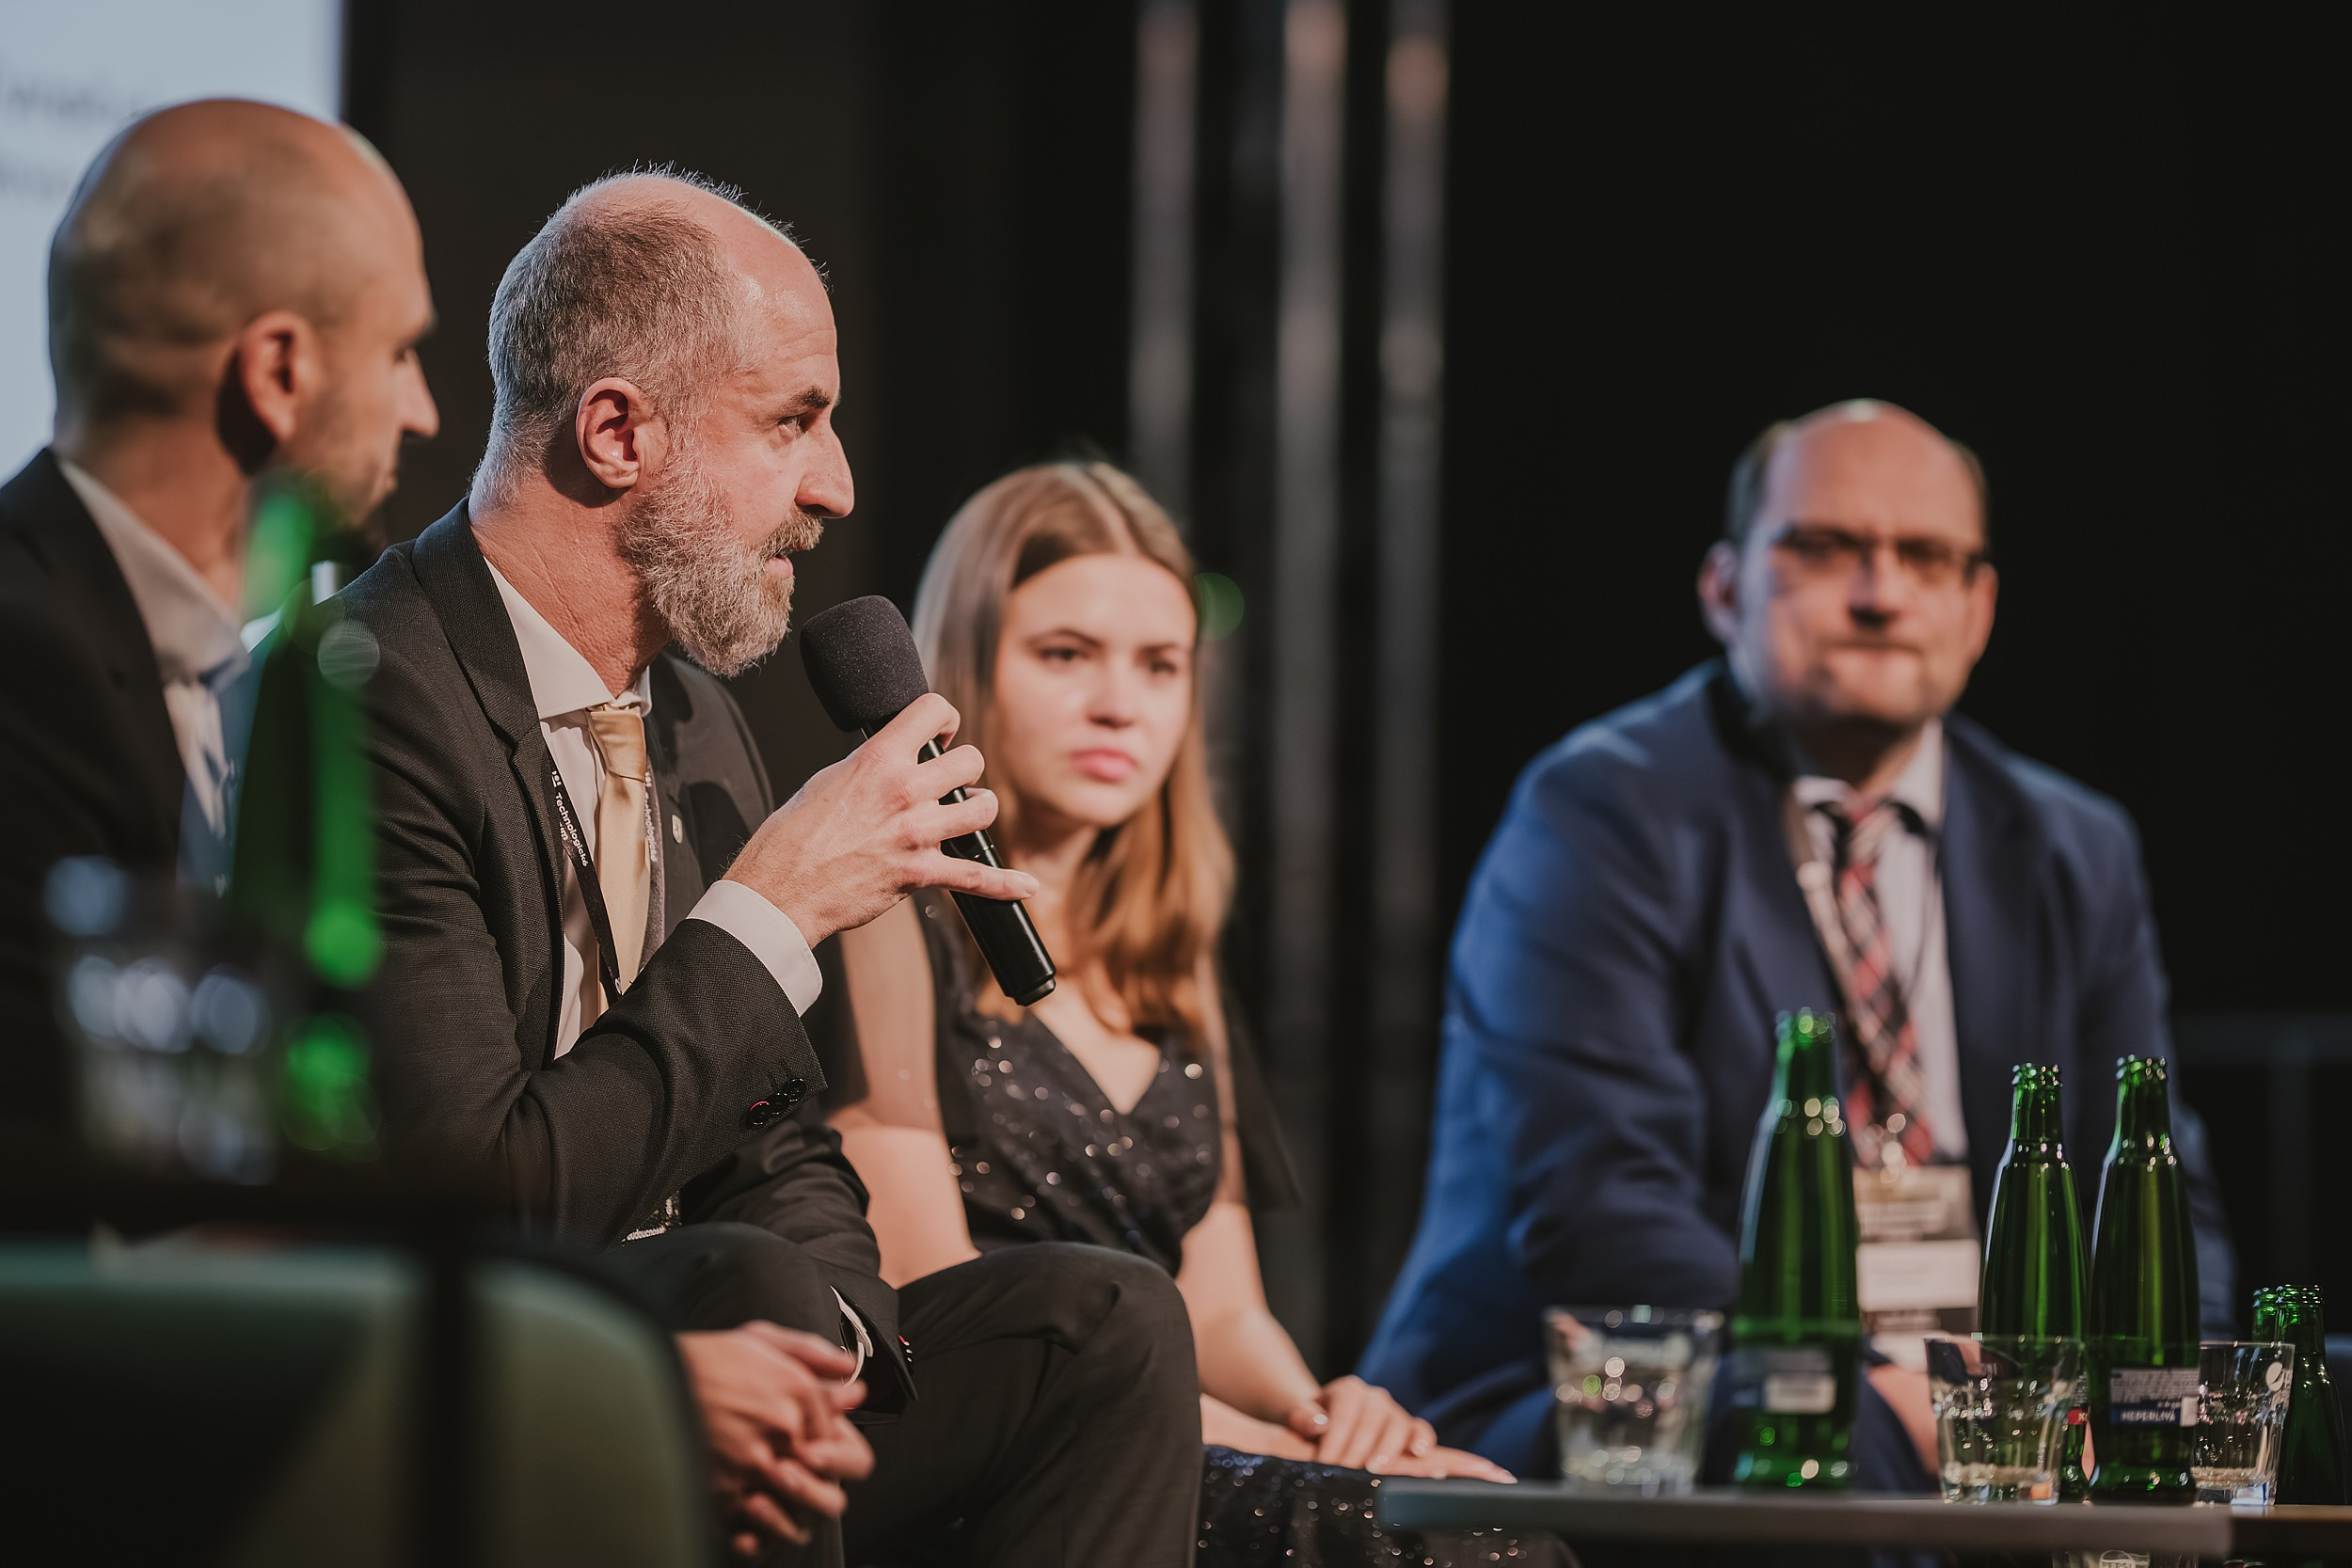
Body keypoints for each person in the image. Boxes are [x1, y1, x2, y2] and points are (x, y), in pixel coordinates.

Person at [247, 171, 1201, 1565]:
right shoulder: (370, 690)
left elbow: (777, 1136)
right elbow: (478, 1193)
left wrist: (839, 1340)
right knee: (741, 1279)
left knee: (1106, 1324)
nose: (836, 484)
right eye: (792, 421)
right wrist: (773, 910)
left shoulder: (695, 717)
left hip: (739, 1343)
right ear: (617, 431)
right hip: (482, 1371)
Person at [1359, 400, 2235, 1485]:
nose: (1881, 593)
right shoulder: (1598, 811)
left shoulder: (2074, 845)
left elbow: (2160, 1187)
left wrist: (2157, 1397)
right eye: (1824, 547)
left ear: (1977, 608)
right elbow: (1599, 1206)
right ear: (1724, 588)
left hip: (1989, 1391)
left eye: (1926, 557)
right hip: (1618, 1384)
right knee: (1823, 1421)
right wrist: (1886, 1383)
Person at [813, 460, 1567, 1568]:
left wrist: (1329, 1414)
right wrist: (1297, 1455)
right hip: (1018, 1458)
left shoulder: (1173, 951)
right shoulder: (892, 910)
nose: (1120, 703)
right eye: (1065, 654)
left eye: (1160, 665)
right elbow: (931, 1284)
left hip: (1195, 1434)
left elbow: (1221, 1311)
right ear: (965, 669)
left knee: (1491, 1519)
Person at [1, 99, 438, 1135]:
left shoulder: (232, 666)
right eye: (399, 353)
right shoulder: (24, 662)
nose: (422, 411)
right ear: (280, 371)